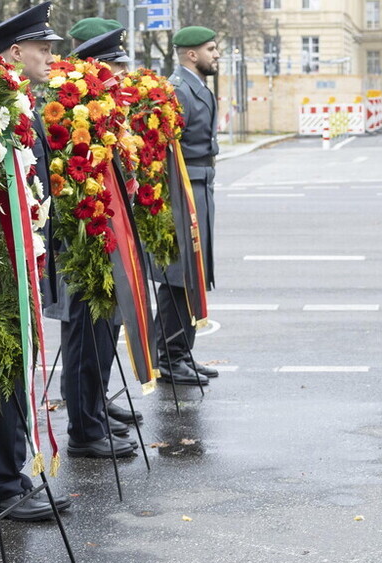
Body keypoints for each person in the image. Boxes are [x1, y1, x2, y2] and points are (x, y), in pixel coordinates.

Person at [0, 2, 82, 517]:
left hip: (25, 257)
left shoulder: (23, 105)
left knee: (17, 369)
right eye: (42, 48)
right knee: (0, 372)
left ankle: (11, 477)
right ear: (16, 51)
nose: (49, 56)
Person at [64, 19, 143, 428]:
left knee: (106, 327)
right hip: (86, 236)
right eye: (116, 68)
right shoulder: (71, 102)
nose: (123, 76)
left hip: (108, 229)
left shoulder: (110, 106)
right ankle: (85, 420)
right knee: (87, 332)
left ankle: (96, 401)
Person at [155, 25, 221, 387]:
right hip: (183, 188)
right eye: (211, 49)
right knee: (180, 275)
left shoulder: (196, 86)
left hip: (200, 185)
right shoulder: (178, 89)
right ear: (191, 54)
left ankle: (180, 353)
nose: (217, 54)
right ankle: (169, 357)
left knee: (192, 274)